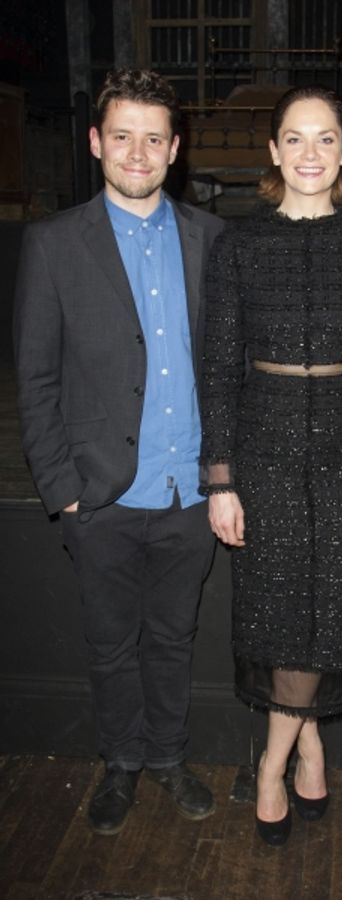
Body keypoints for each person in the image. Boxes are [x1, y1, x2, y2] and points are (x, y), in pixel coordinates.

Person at [13, 68, 224, 835]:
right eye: (123, 136)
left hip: (190, 494)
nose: (139, 152)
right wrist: (64, 489)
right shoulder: (52, 243)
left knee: (173, 639)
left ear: (175, 148)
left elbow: (229, 369)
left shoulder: (213, 239)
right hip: (101, 496)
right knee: (109, 648)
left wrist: (224, 476)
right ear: (97, 142)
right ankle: (122, 763)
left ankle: (167, 757)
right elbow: (34, 377)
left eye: (154, 138)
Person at [201, 84, 342, 846]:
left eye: (326, 138)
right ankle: (298, 750)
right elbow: (219, 370)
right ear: (274, 150)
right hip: (264, 453)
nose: (310, 153)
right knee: (282, 614)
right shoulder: (239, 246)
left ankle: (275, 757)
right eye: (295, 137)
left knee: (333, 614)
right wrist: (220, 479)